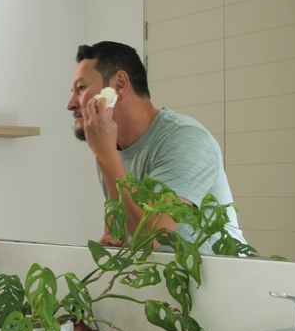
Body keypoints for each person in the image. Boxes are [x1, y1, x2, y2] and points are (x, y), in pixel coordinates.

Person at [67, 40, 244, 251]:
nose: (70, 103)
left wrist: (104, 154)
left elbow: (152, 237)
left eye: (81, 88)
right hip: (163, 280)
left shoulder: (186, 139)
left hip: (219, 282)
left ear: (119, 84)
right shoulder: (112, 148)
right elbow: (122, 231)